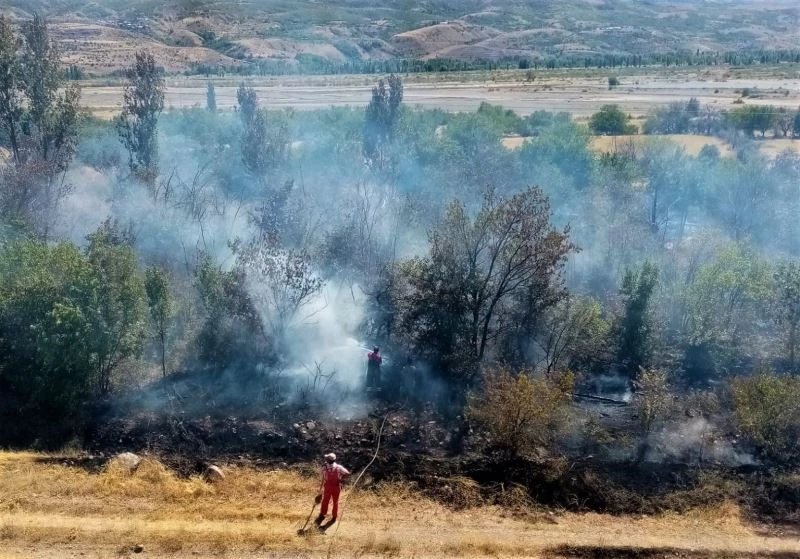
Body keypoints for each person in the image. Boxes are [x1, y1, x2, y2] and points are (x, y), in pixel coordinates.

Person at [315, 453, 350, 526]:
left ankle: (322, 515)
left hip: (328, 487)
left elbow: (323, 477)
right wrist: (340, 479)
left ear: (328, 460)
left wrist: (320, 491)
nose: (326, 459)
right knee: (335, 502)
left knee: (325, 501)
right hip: (336, 487)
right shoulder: (339, 467)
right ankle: (334, 516)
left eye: (327, 459)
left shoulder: (324, 467)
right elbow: (347, 473)